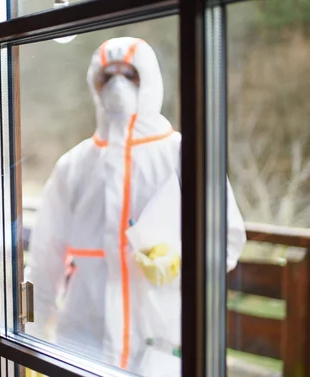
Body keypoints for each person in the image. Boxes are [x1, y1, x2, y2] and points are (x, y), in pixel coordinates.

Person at [25, 37, 246, 375]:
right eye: (107, 76)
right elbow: (44, 259)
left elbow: (227, 237)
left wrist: (181, 260)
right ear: (93, 84)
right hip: (84, 343)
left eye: (130, 74)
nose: (118, 85)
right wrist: (31, 338)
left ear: (151, 79)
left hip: (161, 343)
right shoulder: (75, 165)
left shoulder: (186, 156)